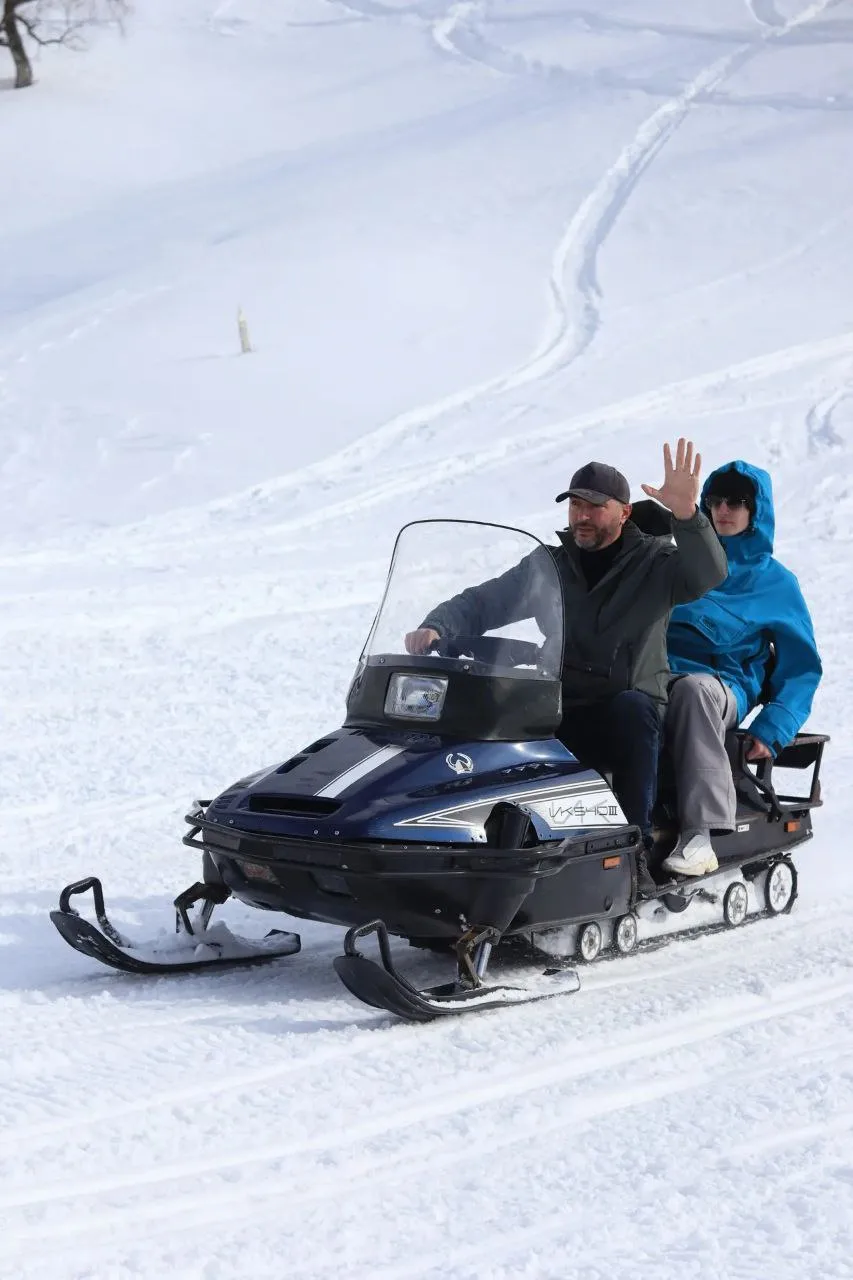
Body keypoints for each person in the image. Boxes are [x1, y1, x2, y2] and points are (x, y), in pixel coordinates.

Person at [405, 439, 728, 893]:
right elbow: (488, 599)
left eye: (595, 506)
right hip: (559, 703)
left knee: (632, 709)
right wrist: (437, 625)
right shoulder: (551, 565)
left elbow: (708, 573)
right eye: (575, 504)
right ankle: (465, 845)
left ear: (624, 513)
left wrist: (687, 517)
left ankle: (631, 853)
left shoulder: (657, 563)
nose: (581, 515)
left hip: (625, 706)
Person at [662, 461, 822, 877]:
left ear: (757, 511)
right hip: (656, 675)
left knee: (694, 691)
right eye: (715, 501)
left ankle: (700, 835)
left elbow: (801, 666)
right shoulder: (683, 562)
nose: (723, 510)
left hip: (720, 686)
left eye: (737, 502)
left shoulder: (775, 583)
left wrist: (773, 727)